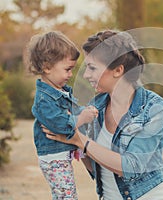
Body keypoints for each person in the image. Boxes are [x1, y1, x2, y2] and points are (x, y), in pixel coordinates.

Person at [43, 30, 163, 200]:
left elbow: (132, 167)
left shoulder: (154, 108)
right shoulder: (94, 108)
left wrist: (78, 139)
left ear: (118, 70)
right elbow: (97, 168)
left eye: (92, 68)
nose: (85, 75)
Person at [25, 31, 98, 199]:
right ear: (47, 66)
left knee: (66, 194)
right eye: (67, 69)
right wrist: (82, 118)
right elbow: (61, 124)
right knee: (66, 195)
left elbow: (71, 111)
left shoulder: (60, 90)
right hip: (53, 158)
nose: (71, 75)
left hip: (61, 153)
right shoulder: (44, 99)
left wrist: (85, 112)